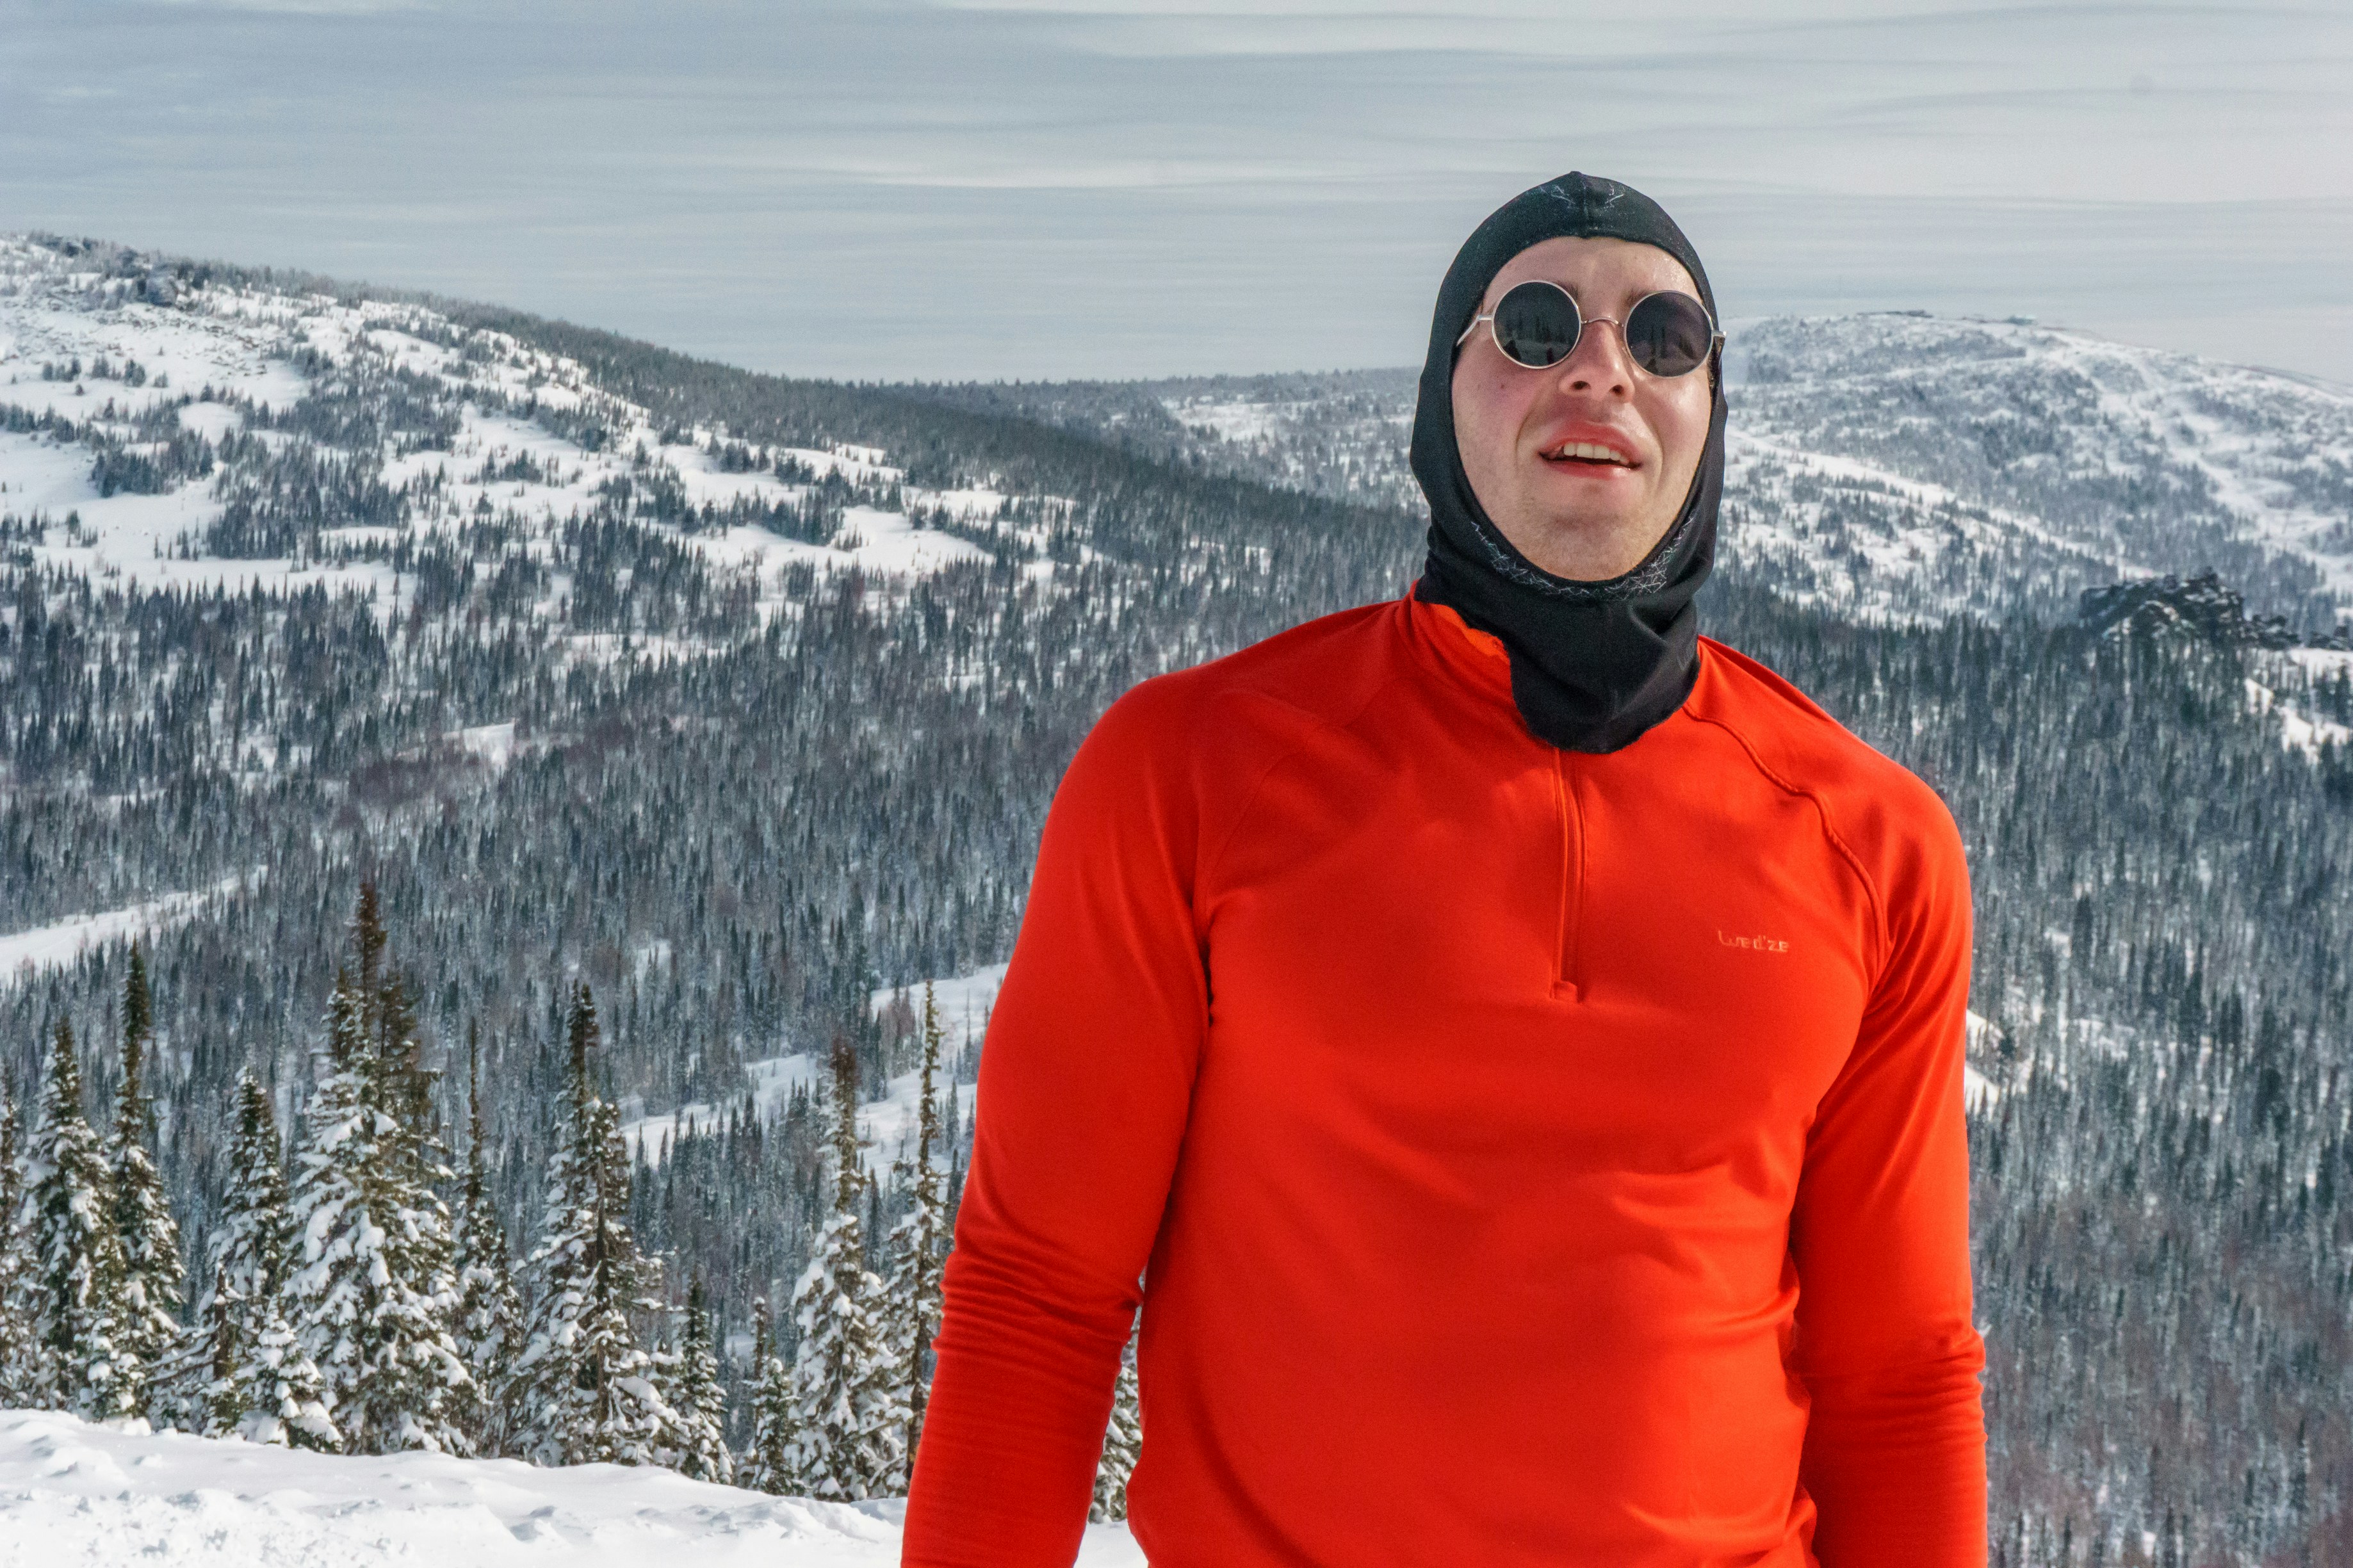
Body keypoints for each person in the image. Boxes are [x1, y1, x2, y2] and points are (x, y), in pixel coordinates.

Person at [902, 170, 1988, 1567]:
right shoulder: (1195, 772)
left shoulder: (1870, 840)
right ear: (1443, 389)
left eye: (1663, 339)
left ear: (1710, 411)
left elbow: (1896, 1375)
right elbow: (1039, 1294)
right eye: (1535, 325)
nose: (1601, 365)